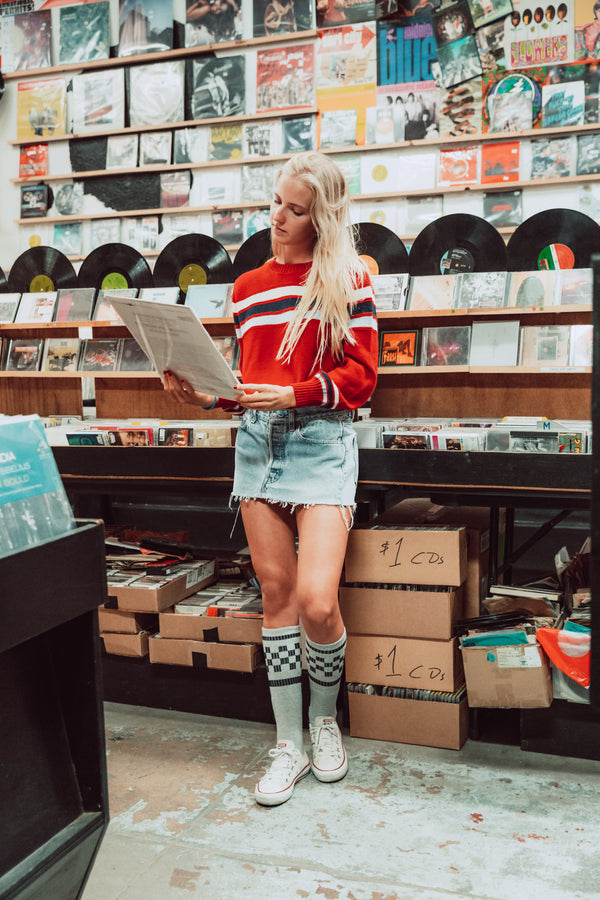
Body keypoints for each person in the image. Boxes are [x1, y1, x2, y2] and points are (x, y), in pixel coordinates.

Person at [163, 151, 378, 807]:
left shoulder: (349, 278)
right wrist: (204, 396)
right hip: (257, 448)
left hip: (320, 445)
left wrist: (297, 395)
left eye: (293, 208)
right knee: (277, 597)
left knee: (317, 598)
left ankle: (324, 723)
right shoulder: (248, 286)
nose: (276, 217)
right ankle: (289, 743)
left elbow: (362, 378)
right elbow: (243, 387)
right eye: (275, 202)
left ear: (322, 218)